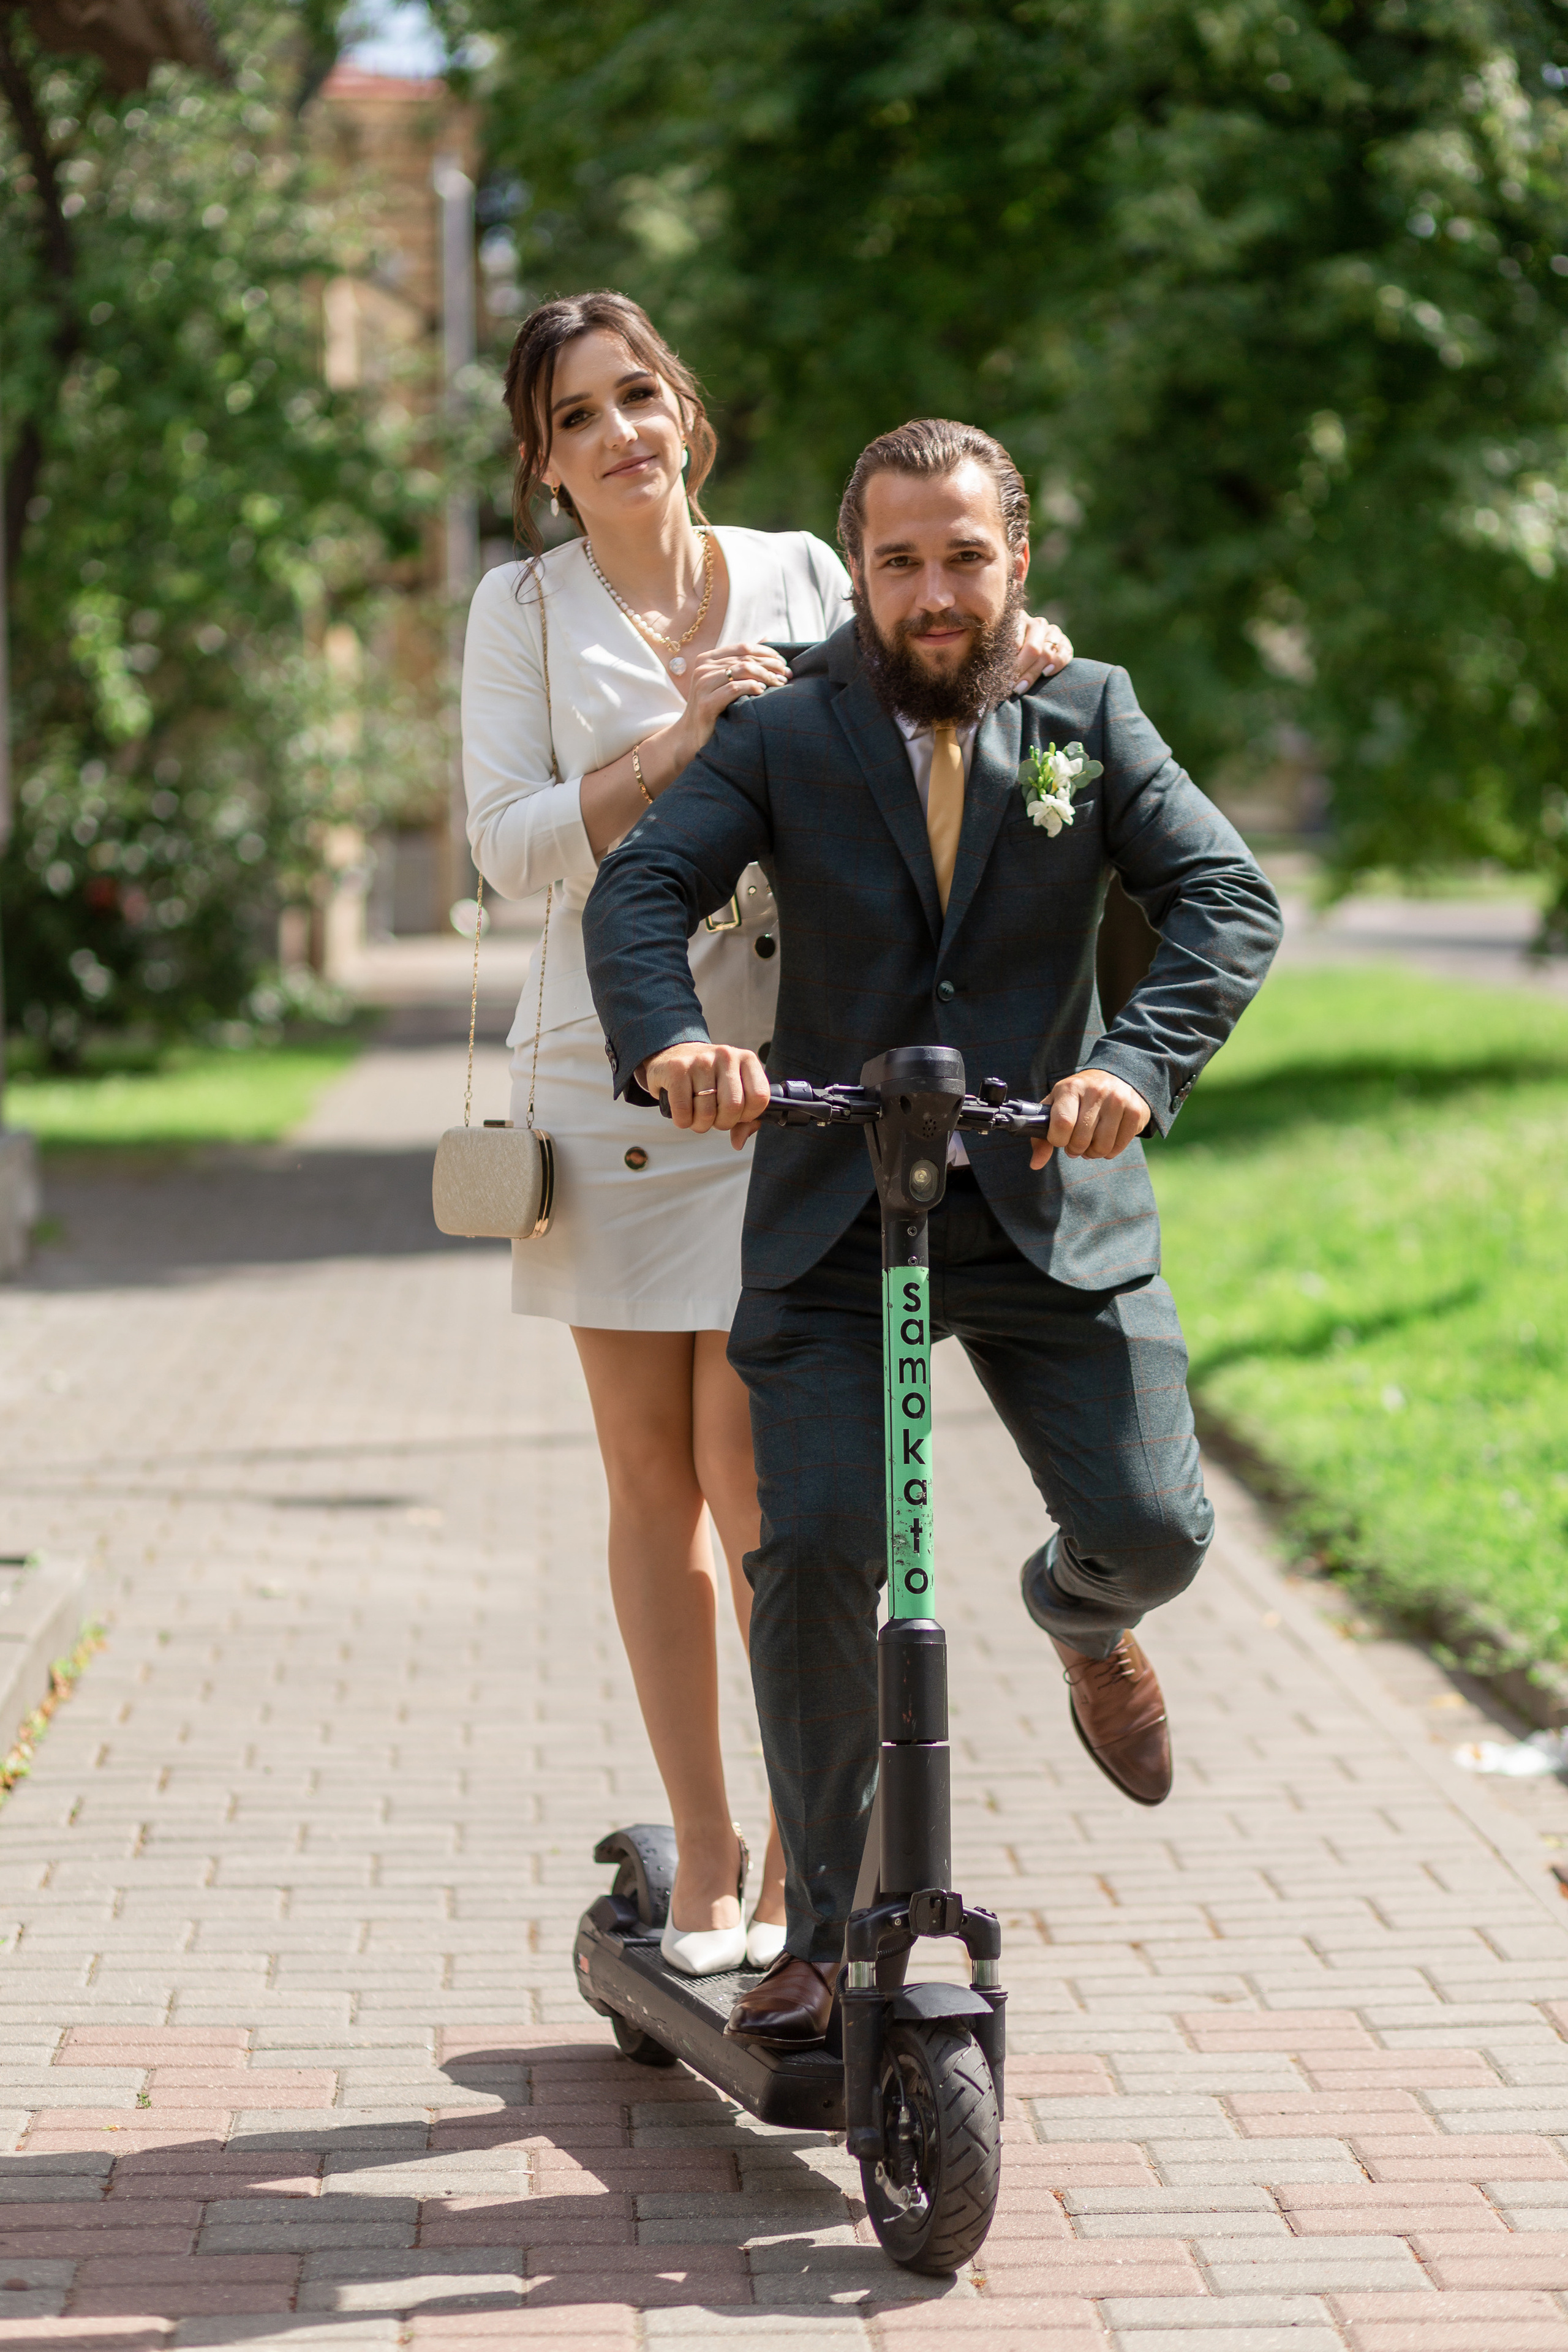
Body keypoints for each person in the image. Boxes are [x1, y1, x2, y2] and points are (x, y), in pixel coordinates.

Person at [582, 417, 1284, 2045]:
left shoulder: (1084, 713)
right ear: (864, 574)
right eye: (899, 562)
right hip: (838, 1213)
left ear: (1015, 559)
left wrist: (1134, 1058)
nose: (935, 592)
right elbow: (643, 888)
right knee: (819, 1552)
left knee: (1155, 1531)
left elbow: (1227, 898)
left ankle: (1084, 1623)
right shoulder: (791, 730)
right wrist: (675, 1042)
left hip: (1047, 1198)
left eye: (965, 556)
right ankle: (824, 1929)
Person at [462, 298, 1073, 1978]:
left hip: (794, 1078)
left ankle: (827, 1852)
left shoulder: (810, 567)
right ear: (543, 456)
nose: (618, 434)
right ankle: (711, 1851)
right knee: (646, 1475)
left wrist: (1020, 657)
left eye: (637, 395)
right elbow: (509, 849)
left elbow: (917, 696)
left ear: (687, 413)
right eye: (576, 415)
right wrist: (670, 746)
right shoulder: (521, 608)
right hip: (611, 1072)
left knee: (762, 1472)